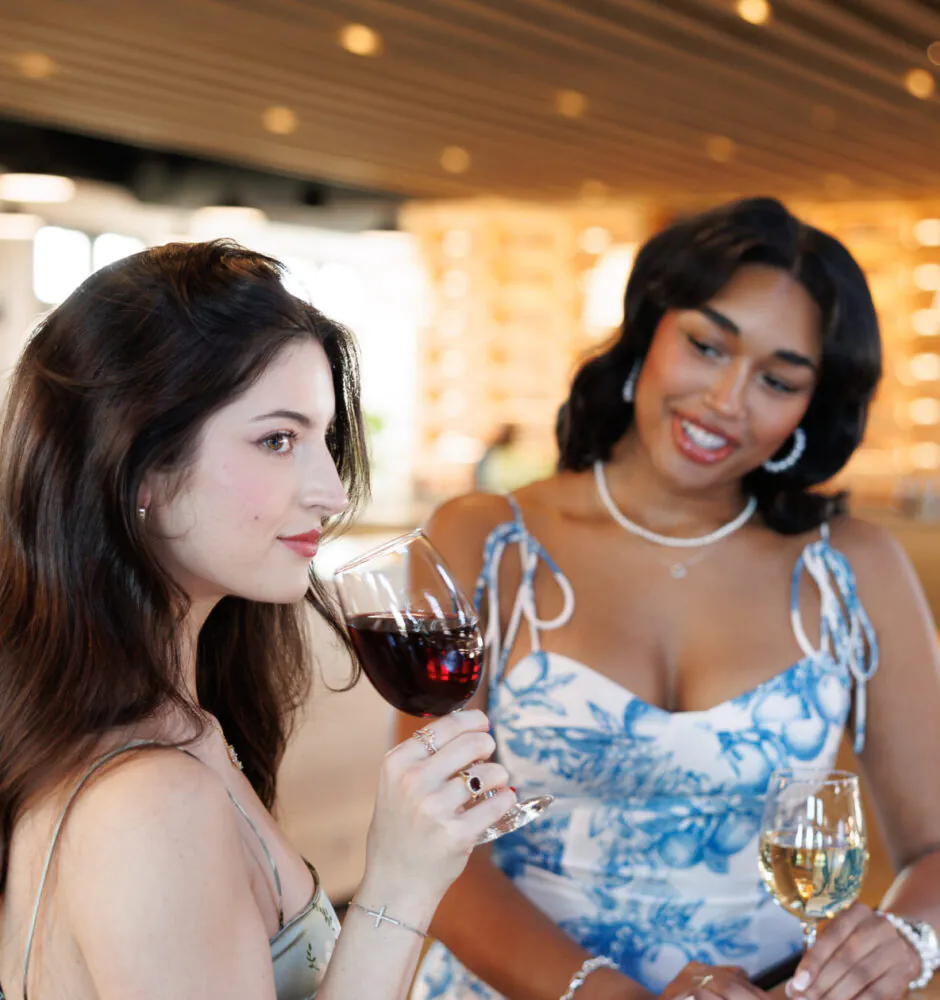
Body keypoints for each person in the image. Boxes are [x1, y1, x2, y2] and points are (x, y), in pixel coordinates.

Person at [400, 197, 940, 1000]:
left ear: (809, 407)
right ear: (649, 328)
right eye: (706, 345)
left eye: (778, 379)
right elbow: (429, 844)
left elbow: (934, 851)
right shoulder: (487, 543)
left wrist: (908, 941)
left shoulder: (850, 569)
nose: (727, 400)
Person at [0, 241, 516, 1000]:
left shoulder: (177, 726)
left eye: (324, 439)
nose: (333, 494)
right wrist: (400, 886)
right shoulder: (148, 801)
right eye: (278, 440)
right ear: (140, 466)